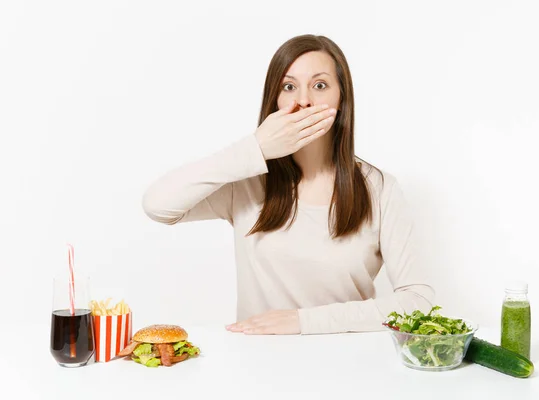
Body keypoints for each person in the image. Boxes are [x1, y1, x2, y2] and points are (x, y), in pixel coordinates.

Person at [142, 34, 432, 335]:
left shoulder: (379, 189)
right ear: (275, 99)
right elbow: (158, 205)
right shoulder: (244, 181)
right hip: (258, 363)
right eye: (289, 86)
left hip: (347, 363)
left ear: (342, 98)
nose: (303, 100)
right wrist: (256, 148)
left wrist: (303, 322)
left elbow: (417, 301)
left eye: (320, 85)